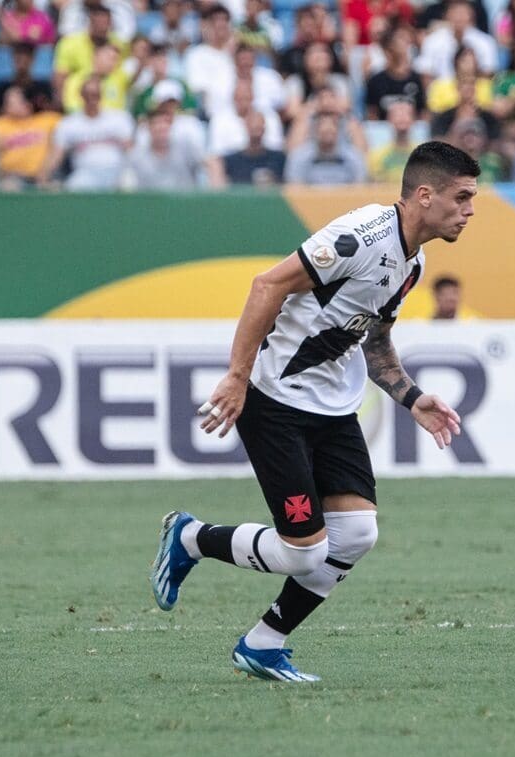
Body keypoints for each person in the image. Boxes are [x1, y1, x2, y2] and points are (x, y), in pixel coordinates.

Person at [150, 141, 479, 682]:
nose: (469, 211)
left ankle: (263, 644)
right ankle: (191, 537)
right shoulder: (360, 238)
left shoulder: (413, 263)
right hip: (274, 402)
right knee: (304, 553)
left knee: (357, 534)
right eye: (462, 197)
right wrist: (237, 377)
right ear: (425, 195)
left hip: (333, 408)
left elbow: (375, 342)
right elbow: (267, 284)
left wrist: (412, 397)